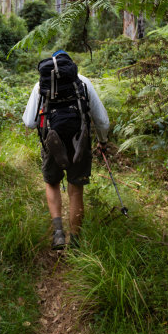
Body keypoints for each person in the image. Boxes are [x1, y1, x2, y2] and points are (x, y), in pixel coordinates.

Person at [23, 50, 110, 250]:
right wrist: (102, 141)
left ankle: (58, 234)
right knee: (75, 189)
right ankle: (76, 241)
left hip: (51, 141)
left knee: (52, 183)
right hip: (79, 139)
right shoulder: (83, 82)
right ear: (70, 65)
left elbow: (29, 122)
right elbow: (102, 121)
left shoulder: (41, 85)